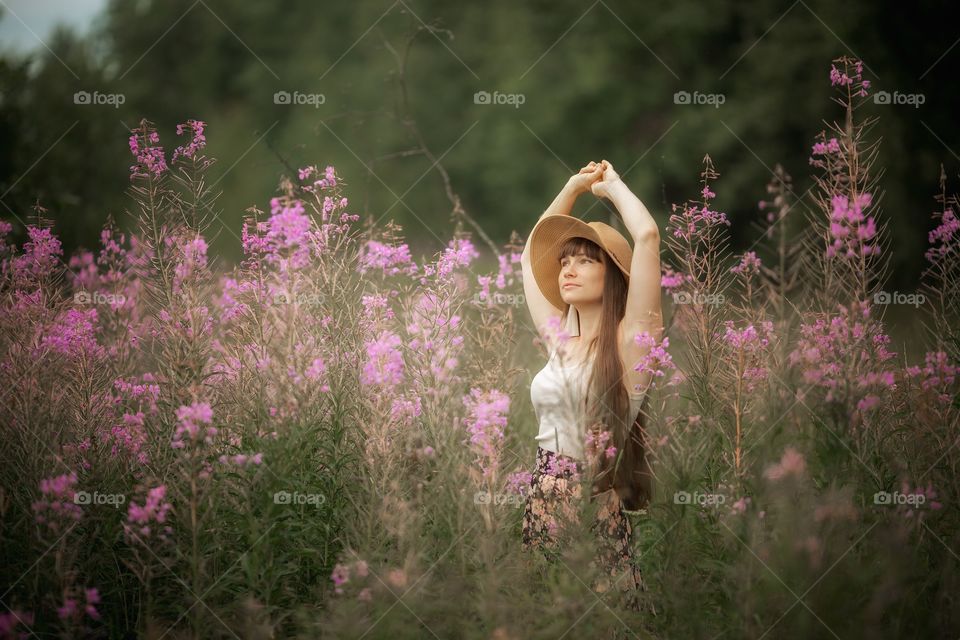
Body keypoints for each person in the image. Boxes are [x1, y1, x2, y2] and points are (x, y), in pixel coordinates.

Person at [519, 159, 663, 612]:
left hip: (594, 509)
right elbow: (529, 255)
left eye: (585, 260)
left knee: (601, 623)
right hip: (541, 504)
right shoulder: (560, 338)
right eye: (564, 260)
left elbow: (647, 237)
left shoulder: (631, 345)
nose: (568, 269)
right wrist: (571, 188)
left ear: (614, 274)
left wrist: (613, 187)